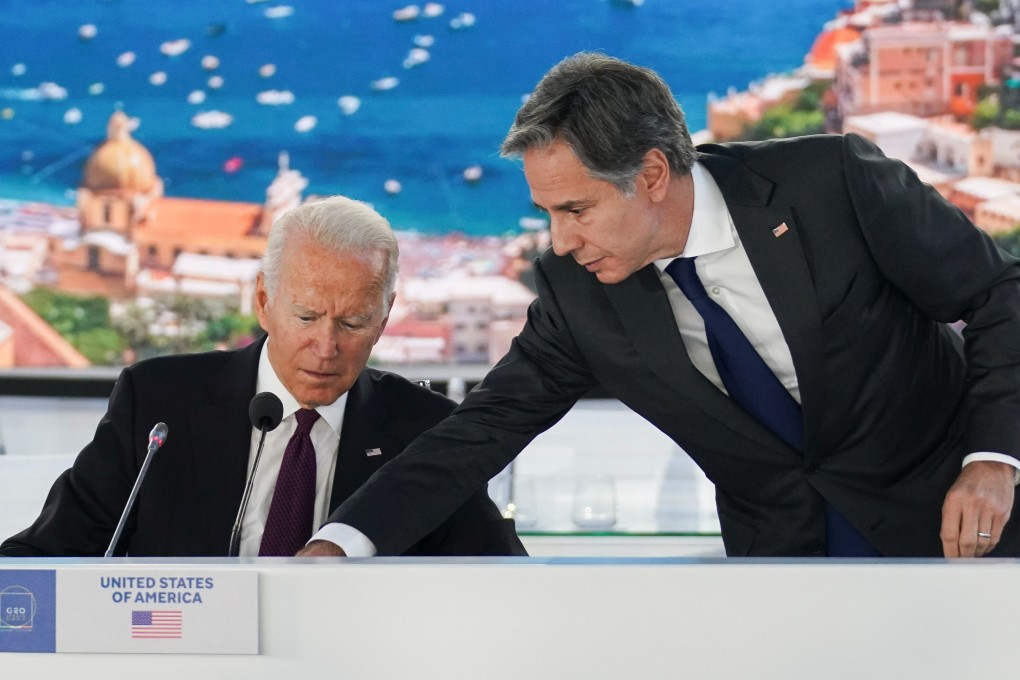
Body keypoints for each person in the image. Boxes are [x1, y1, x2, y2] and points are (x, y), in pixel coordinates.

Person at [300, 52, 1020, 560]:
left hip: (969, 528)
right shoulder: (575, 289)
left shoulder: (832, 185)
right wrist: (341, 542)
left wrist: (993, 459)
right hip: (789, 573)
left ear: (649, 174)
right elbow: (480, 431)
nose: (559, 240)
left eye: (576, 209)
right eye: (547, 212)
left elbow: (998, 295)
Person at [0, 196, 525, 558]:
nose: (326, 346)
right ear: (263, 301)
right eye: (305, 316)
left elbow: (501, 581)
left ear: (384, 318)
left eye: (352, 322)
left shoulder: (425, 429)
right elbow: (53, 553)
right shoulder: (160, 402)